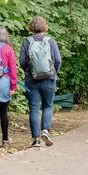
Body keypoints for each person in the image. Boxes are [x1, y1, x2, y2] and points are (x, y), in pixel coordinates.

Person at [19, 16, 62, 148]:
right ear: (45, 26)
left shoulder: (26, 41)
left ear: (31, 26)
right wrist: (53, 72)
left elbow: (22, 62)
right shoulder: (50, 41)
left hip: (32, 80)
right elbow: (58, 60)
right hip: (49, 79)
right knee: (48, 106)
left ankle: (36, 139)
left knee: (34, 108)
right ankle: (45, 130)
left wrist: (30, 72)